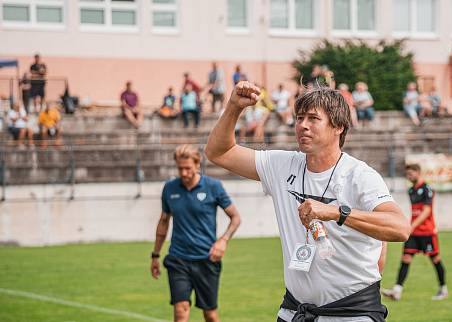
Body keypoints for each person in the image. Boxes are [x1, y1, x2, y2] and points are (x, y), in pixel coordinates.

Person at [204, 81, 410, 322]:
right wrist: (233, 107)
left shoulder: (360, 176)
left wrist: (336, 213)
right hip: (295, 312)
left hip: (353, 314)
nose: (302, 125)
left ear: (339, 127)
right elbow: (219, 153)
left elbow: (400, 228)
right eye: (299, 118)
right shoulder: (282, 165)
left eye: (313, 118)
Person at [151, 145, 241, 322]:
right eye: (180, 169)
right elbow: (163, 222)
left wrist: (223, 241)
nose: (183, 173)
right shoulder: (169, 188)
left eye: (188, 168)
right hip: (178, 259)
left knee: (210, 315)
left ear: (197, 165)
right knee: (181, 310)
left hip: (207, 260)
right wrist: (155, 255)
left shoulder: (213, 187)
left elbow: (235, 218)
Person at [382, 164, 448, 301]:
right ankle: (397, 290)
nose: (408, 177)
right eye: (407, 174)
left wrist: (412, 225)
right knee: (405, 259)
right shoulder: (411, 190)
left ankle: (443, 289)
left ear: (418, 172)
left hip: (427, 232)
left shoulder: (427, 189)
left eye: (411, 174)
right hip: (413, 233)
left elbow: (426, 211)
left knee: (435, 260)